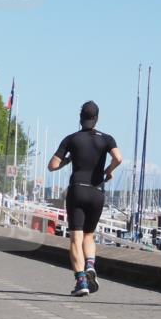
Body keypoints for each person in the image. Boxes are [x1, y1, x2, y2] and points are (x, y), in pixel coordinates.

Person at [48, 101, 122, 296]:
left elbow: (52, 165)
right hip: (96, 192)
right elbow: (119, 158)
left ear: (80, 117)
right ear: (97, 118)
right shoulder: (107, 139)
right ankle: (90, 265)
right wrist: (109, 170)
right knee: (89, 235)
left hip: (77, 191)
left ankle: (81, 281)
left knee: (75, 239)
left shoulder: (71, 139)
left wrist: (68, 160)